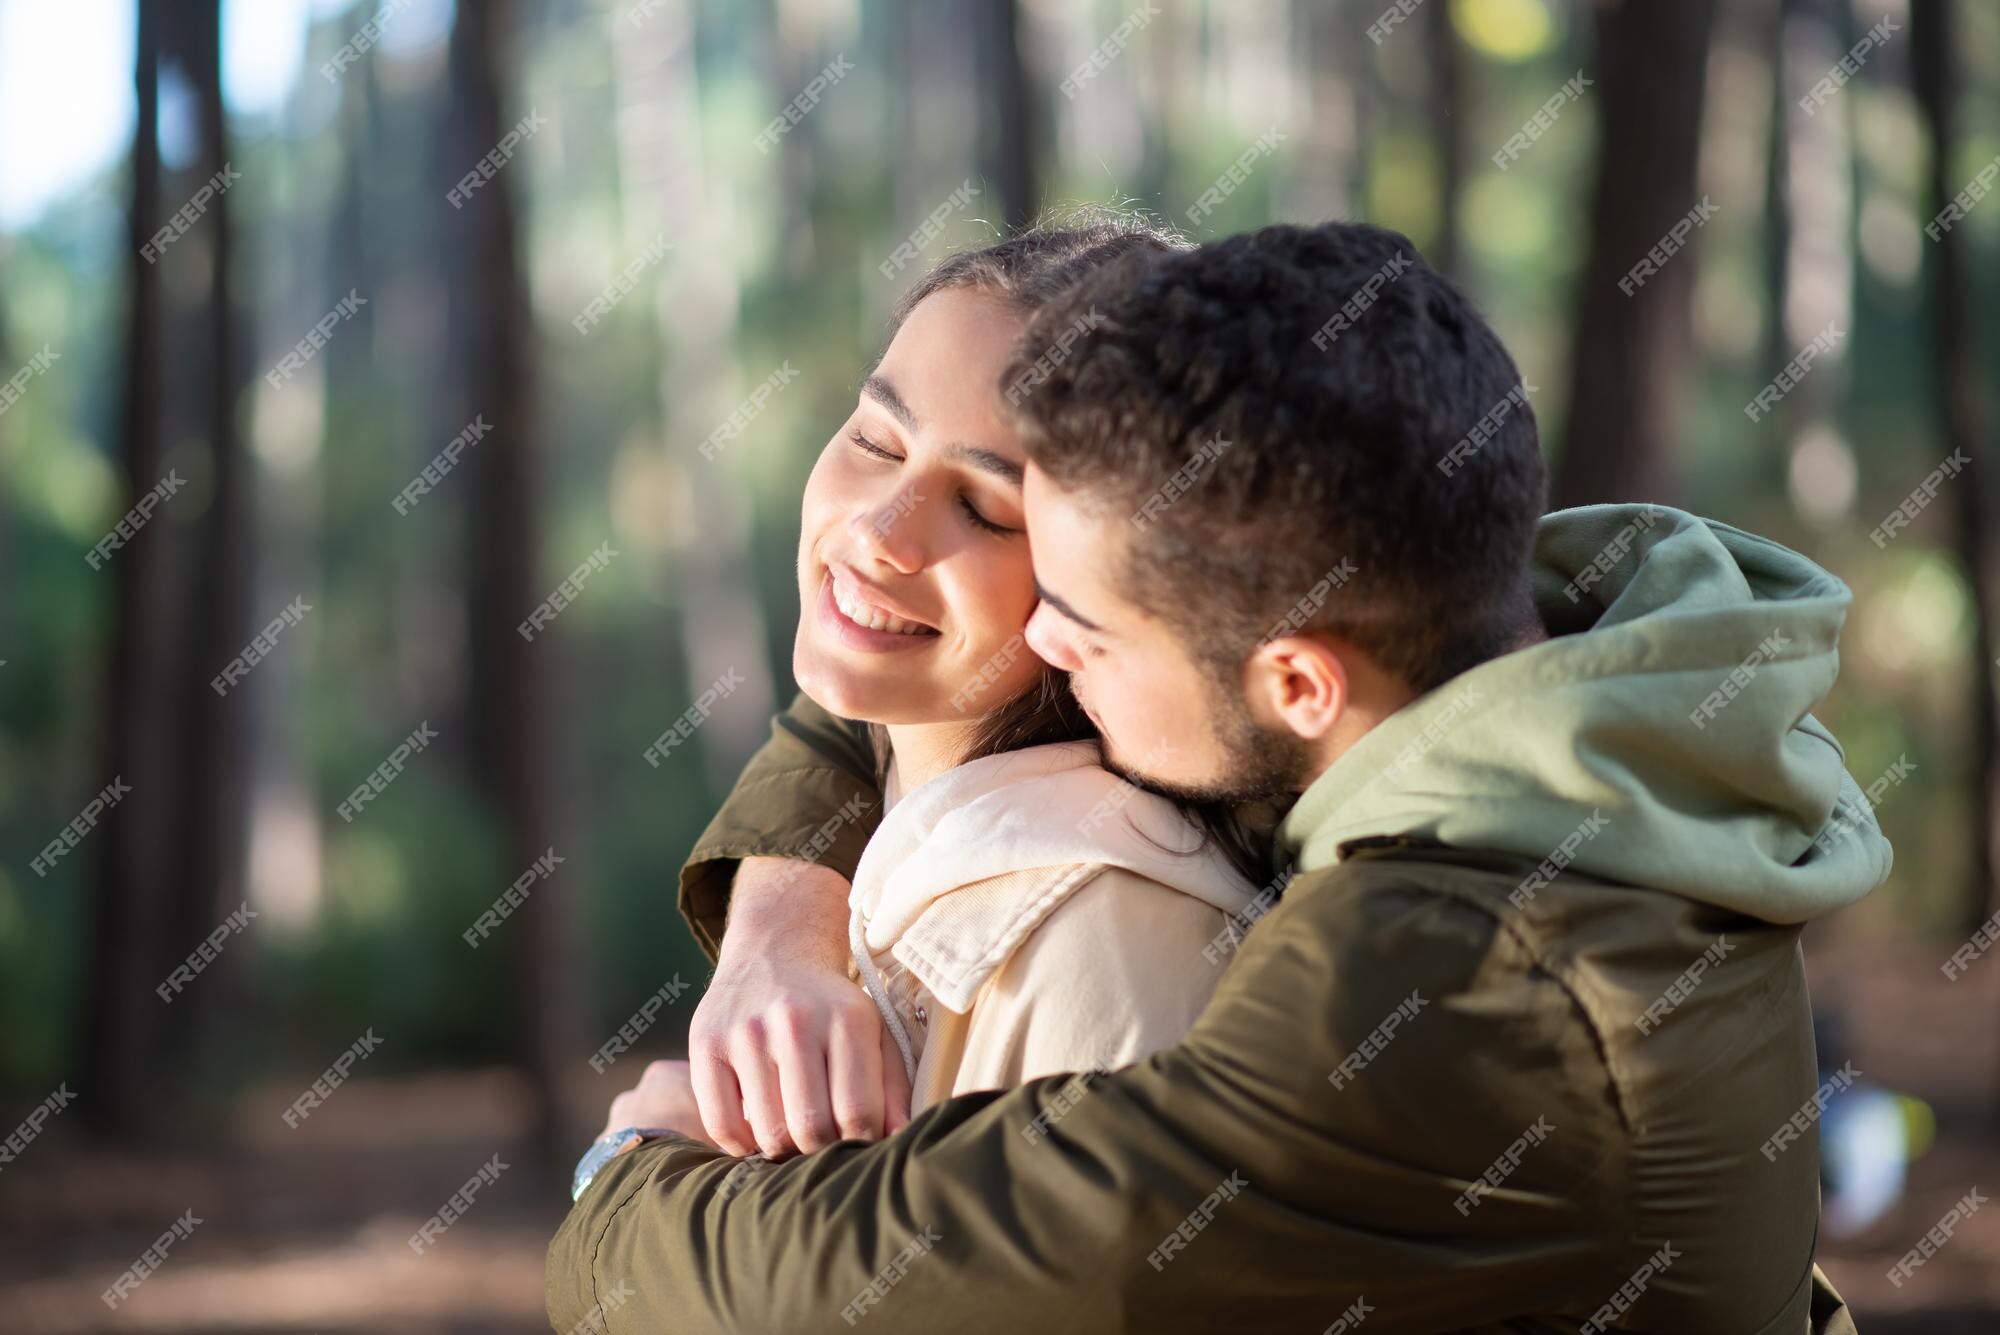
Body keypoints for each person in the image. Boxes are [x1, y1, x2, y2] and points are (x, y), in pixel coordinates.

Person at [550, 221, 1884, 1334]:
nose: (1050, 647)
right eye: (878, 440)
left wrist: (625, 1184)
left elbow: (963, 1260)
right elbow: (881, 683)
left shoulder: (1428, 981)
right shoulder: (1533, 670)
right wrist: (779, 924)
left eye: (1078, 610)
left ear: (1297, 682)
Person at [620, 215, 1271, 1164]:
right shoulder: (896, 814)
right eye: (879, 441)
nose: (883, 528)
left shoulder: (1113, 941)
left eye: (984, 508)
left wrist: (638, 1162)